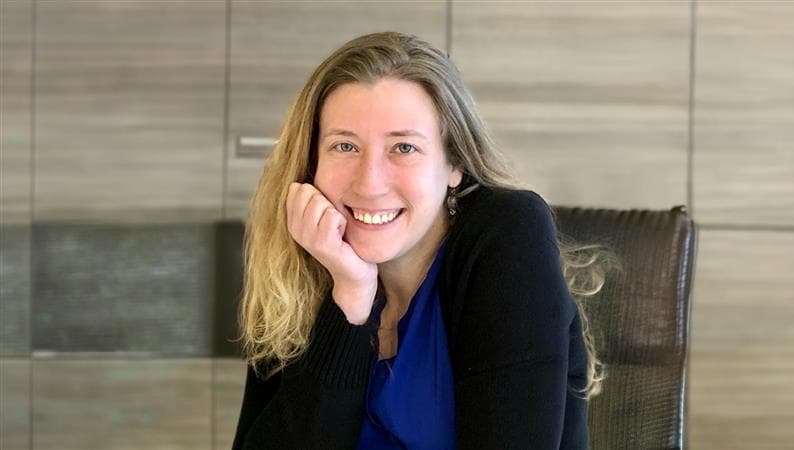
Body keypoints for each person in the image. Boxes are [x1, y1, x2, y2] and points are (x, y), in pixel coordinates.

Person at [232, 31, 607, 450]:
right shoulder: (298, 263)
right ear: (310, 164)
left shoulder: (506, 233)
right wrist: (351, 300)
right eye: (344, 146)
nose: (369, 183)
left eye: (404, 147)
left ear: (454, 164)